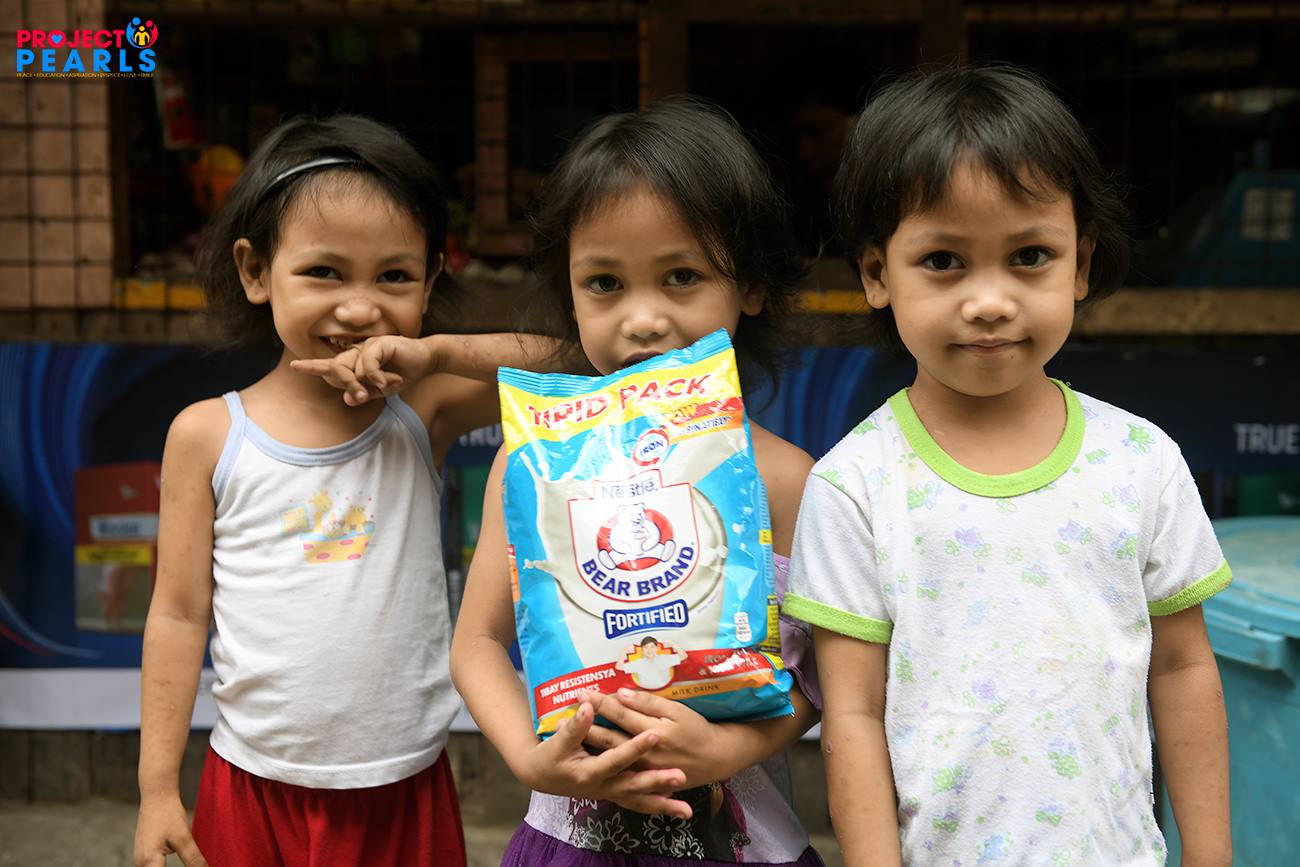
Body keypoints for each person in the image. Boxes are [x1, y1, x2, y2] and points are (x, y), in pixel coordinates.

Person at [785, 65, 1233, 866]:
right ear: (877, 273)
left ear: (1080, 263)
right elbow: (851, 713)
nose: (989, 301)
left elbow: (1183, 667)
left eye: (1029, 255)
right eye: (943, 260)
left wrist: (1210, 856)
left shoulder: (1142, 462)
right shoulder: (855, 486)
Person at [133, 114, 562, 867]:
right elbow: (176, 613)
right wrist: (157, 789)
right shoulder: (208, 434)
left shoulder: (422, 409)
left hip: (405, 783)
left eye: (394, 276)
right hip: (251, 783)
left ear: (430, 280)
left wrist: (437, 353)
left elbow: (579, 363)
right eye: (324, 272)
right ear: (255, 271)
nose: (361, 308)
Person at [451, 99, 826, 865]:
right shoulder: (529, 469)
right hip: (568, 841)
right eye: (604, 282)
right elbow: (477, 641)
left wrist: (732, 749)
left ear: (750, 285)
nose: (643, 318)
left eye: (681, 276)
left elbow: (826, 677)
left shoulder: (789, 480)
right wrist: (531, 758)